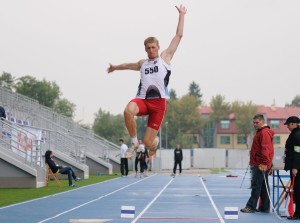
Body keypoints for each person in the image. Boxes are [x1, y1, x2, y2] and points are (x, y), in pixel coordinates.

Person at [107, 5, 187, 157]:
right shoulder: (142, 63)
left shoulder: (165, 58)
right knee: (128, 111)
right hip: (143, 100)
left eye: (153, 47)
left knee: (149, 143)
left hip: (159, 104)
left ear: (158, 47)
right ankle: (134, 143)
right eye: (148, 48)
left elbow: (178, 36)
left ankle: (153, 144)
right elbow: (127, 65)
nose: (151, 50)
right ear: (145, 49)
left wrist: (181, 15)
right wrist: (115, 67)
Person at [240, 114, 274, 213]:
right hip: (258, 163)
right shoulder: (260, 132)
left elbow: (265, 149)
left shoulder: (263, 133)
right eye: (254, 122)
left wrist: (264, 163)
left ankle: (251, 206)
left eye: (257, 122)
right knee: (263, 187)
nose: (255, 124)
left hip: (260, 165)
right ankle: (264, 207)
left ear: (262, 122)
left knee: (256, 185)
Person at [283, 116, 300, 220]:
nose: (287, 127)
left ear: (294, 124)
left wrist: (295, 167)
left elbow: (298, 153)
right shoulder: (295, 134)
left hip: (297, 168)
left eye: (288, 125)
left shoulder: (297, 135)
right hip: (296, 166)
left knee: (298, 190)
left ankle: (298, 213)